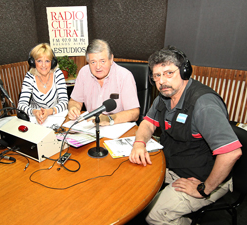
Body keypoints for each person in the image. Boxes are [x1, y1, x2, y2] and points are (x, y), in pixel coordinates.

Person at [129, 46, 242, 224]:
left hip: (203, 178)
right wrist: (139, 143)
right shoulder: (164, 95)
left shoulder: (204, 104)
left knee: (154, 216)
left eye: (168, 73)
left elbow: (231, 153)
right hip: (173, 165)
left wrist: (204, 189)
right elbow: (148, 123)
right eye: (157, 75)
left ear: (184, 71)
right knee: (129, 186)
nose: (162, 81)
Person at [68, 39, 140, 126]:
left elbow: (134, 113)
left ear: (111, 59)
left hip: (116, 127)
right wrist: (74, 108)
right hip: (91, 126)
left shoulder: (124, 76)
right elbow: (75, 101)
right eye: (93, 62)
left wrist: (109, 119)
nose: (98, 67)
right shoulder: (84, 72)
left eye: (102, 61)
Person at [18, 43, 68, 124]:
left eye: (47, 61)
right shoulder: (29, 77)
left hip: (56, 118)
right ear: (33, 62)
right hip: (36, 120)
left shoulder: (57, 74)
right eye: (39, 61)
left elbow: (64, 102)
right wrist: (35, 112)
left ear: (52, 63)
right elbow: (21, 105)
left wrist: (49, 111)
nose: (44, 65)